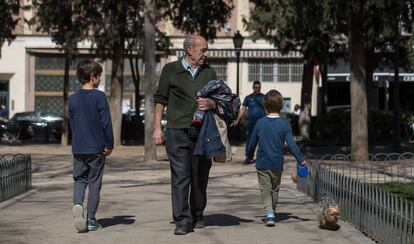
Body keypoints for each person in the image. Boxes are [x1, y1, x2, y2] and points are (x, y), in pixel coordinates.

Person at [153, 35, 217, 235]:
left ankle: (198, 213)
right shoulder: (170, 70)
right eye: (203, 50)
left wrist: (212, 103)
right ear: (189, 50)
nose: (206, 54)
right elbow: (160, 100)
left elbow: (221, 99)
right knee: (180, 176)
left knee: (200, 176)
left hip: (203, 132)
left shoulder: (209, 71)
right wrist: (157, 128)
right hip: (176, 131)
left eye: (206, 50)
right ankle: (181, 220)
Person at [246, 89, 306, 227]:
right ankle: (271, 211)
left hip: (262, 162)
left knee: (265, 188)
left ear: (265, 106)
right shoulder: (285, 124)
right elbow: (292, 145)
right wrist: (300, 160)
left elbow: (252, 142)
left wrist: (249, 155)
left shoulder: (260, 123)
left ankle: (269, 212)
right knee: (275, 188)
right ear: (281, 106)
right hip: (277, 163)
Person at [69, 59, 114, 232]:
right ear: (93, 77)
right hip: (96, 148)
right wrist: (109, 144)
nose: (100, 79)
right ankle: (91, 220)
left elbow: (73, 124)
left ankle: (78, 203)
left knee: (79, 179)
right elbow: (106, 123)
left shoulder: (73, 99)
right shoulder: (100, 97)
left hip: (79, 147)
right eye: (99, 76)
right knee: (94, 182)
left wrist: (76, 142)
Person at [231, 81, 266, 164]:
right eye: (256, 87)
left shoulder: (264, 97)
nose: (258, 89)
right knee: (250, 140)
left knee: (263, 140)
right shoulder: (248, 97)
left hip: (262, 122)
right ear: (253, 88)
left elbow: (267, 109)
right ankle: (248, 157)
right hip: (251, 123)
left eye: (259, 87)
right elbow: (243, 109)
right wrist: (237, 120)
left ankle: (262, 158)